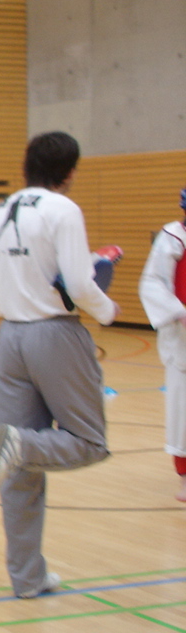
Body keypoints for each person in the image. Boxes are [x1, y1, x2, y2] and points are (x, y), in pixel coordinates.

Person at [0, 131, 117, 599]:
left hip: (8, 339)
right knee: (89, 442)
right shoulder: (63, 210)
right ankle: (21, 445)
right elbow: (79, 284)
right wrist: (108, 311)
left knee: (21, 472)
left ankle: (27, 578)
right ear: (70, 170)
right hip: (54, 335)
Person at [137, 188, 186, 502]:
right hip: (182, 339)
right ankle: (185, 476)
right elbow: (151, 283)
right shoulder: (173, 237)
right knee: (183, 408)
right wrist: (179, 312)